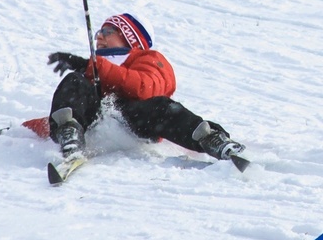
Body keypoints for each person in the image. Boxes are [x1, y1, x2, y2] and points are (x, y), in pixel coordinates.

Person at [45, 13, 246, 165]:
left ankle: (211, 139)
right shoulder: (92, 69)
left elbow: (145, 88)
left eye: (108, 32)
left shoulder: (148, 58)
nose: (99, 37)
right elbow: (69, 101)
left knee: (163, 107)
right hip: (95, 119)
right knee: (74, 81)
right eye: (99, 32)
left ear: (130, 38)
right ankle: (69, 133)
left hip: (135, 118)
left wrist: (90, 65)